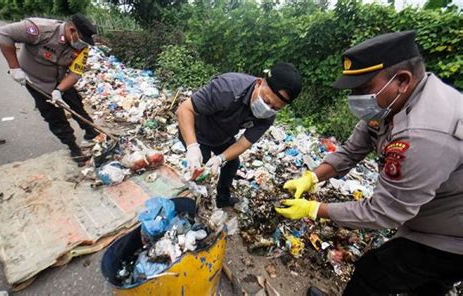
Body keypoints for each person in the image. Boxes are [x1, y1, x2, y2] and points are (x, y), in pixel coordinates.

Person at [275, 31, 463, 296]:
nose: (355, 97)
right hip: (432, 213)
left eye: (363, 89)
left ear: (401, 80)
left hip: (451, 236)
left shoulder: (425, 133)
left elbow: (385, 211)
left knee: (373, 273)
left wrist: (314, 209)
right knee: (426, 287)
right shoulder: (393, 103)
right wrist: (311, 178)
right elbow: (352, 150)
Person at [177, 62, 302, 208]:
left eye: (276, 107)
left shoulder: (267, 116)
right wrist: (192, 147)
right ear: (259, 83)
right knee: (198, 169)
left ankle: (222, 199)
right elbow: (184, 109)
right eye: (266, 101)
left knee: (232, 163)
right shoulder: (227, 88)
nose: (267, 108)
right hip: (197, 130)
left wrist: (220, 158)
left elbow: (244, 143)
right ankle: (190, 205)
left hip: (223, 135)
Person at [0, 13, 99, 166]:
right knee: (54, 116)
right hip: (37, 82)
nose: (83, 45)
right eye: (82, 41)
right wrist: (14, 68)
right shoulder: (41, 30)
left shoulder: (82, 47)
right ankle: (73, 148)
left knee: (77, 106)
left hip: (61, 79)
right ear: (72, 30)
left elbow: (75, 73)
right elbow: (4, 34)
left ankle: (91, 132)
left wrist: (59, 90)